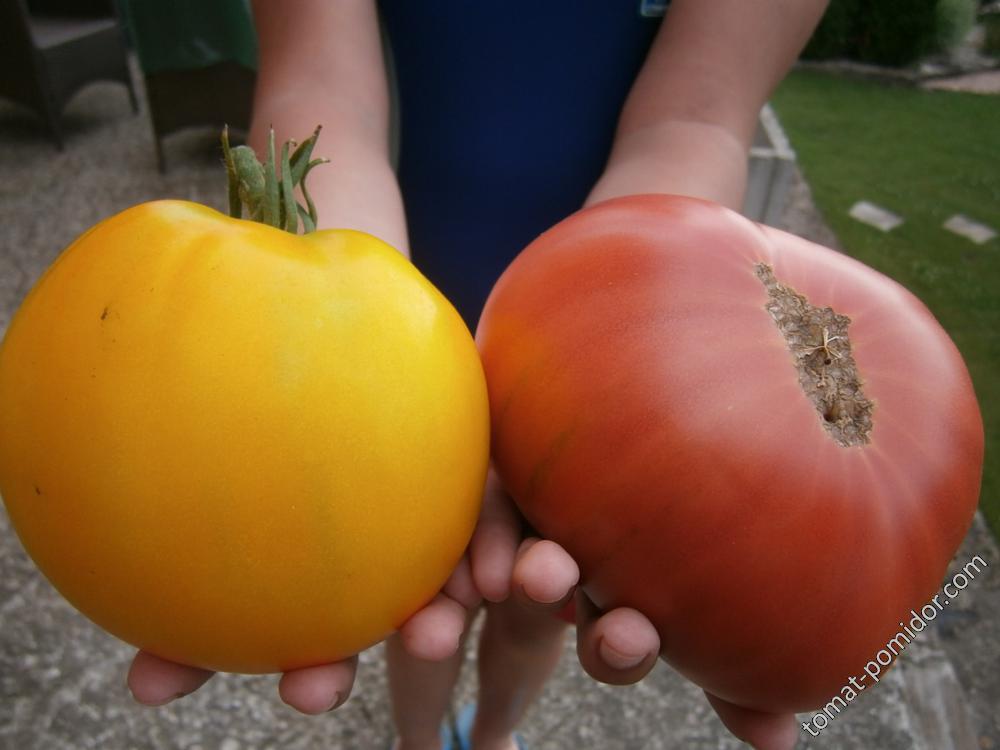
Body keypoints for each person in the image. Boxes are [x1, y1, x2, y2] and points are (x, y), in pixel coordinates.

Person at [126, 2, 829, 749]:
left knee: (534, 605)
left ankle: (491, 739)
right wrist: (332, 345)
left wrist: (602, 370)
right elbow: (322, 86)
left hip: (591, 340)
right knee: (412, 599)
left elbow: (697, 121)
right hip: (392, 302)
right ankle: (420, 743)